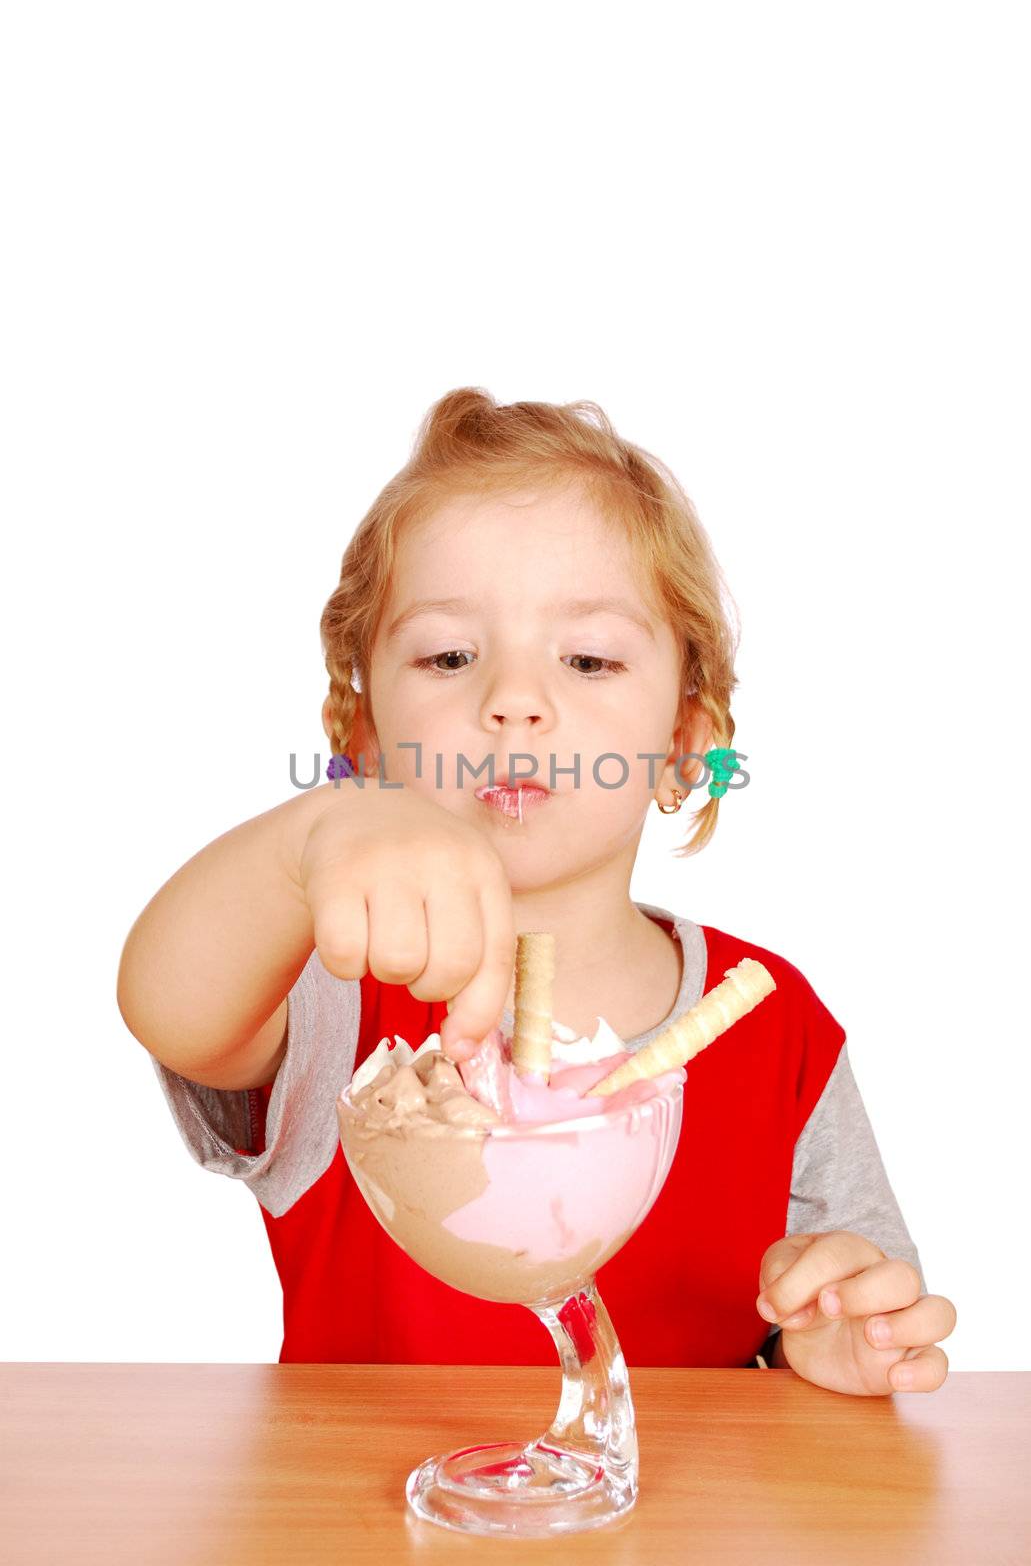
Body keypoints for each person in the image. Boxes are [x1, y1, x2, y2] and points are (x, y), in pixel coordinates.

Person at [117, 387, 956, 1392]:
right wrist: (310, 839)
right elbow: (168, 1006)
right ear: (366, 741)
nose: (512, 700)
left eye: (589, 657)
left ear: (684, 743)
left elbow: (862, 1310)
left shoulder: (775, 1031)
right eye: (449, 655)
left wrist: (831, 1336)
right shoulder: (335, 987)